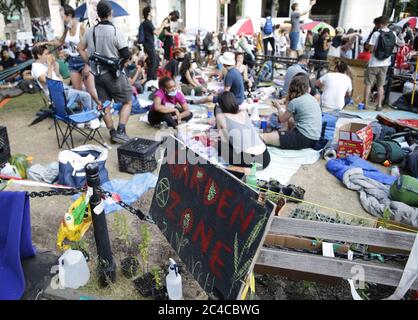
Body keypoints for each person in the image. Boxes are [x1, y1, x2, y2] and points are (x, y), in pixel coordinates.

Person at [78, 0, 133, 144]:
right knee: (127, 101)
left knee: (105, 104)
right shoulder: (115, 31)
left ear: (98, 14)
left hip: (97, 75)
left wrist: (88, 62)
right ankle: (121, 131)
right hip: (114, 76)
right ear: (111, 13)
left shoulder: (91, 31)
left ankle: (112, 132)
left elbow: (80, 48)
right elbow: (126, 54)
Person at [35, 4, 101, 107]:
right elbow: (60, 42)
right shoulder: (67, 28)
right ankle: (84, 115)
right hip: (72, 62)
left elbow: (91, 48)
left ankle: (103, 110)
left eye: (63, 17)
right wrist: (45, 43)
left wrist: (87, 66)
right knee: (77, 92)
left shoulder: (81, 27)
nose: (62, 19)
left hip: (83, 61)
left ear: (69, 15)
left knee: (91, 91)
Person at [262, 74, 322, 150]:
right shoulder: (311, 98)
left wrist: (278, 107)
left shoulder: (295, 102)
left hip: (302, 138)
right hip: (314, 139)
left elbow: (281, 119)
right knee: (290, 121)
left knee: (264, 137)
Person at [216, 91, 270, 169]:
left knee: (219, 144)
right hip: (265, 158)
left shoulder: (220, 117)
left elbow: (223, 140)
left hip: (249, 161)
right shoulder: (244, 112)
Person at [31, 45, 94, 110]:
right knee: (87, 96)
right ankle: (92, 117)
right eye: (46, 54)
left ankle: (90, 112)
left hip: (62, 88)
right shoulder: (36, 68)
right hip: (57, 93)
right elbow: (48, 82)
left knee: (87, 89)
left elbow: (57, 74)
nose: (48, 55)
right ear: (39, 55)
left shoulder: (44, 64)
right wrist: (49, 66)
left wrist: (54, 63)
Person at [362, 16, 396, 111]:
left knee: (368, 84)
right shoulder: (393, 33)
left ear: (380, 24)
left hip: (374, 63)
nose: (376, 26)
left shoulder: (376, 34)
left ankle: (366, 105)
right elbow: (394, 48)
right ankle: (379, 105)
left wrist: (369, 47)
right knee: (380, 85)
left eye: (376, 24)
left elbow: (371, 49)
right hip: (385, 63)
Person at [141, 6, 170, 81]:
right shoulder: (147, 22)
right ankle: (149, 80)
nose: (154, 12)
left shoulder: (147, 22)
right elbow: (157, 33)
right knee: (154, 63)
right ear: (149, 12)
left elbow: (156, 31)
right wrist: (163, 25)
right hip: (149, 45)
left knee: (156, 60)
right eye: (152, 11)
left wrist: (162, 26)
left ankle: (153, 79)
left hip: (149, 45)